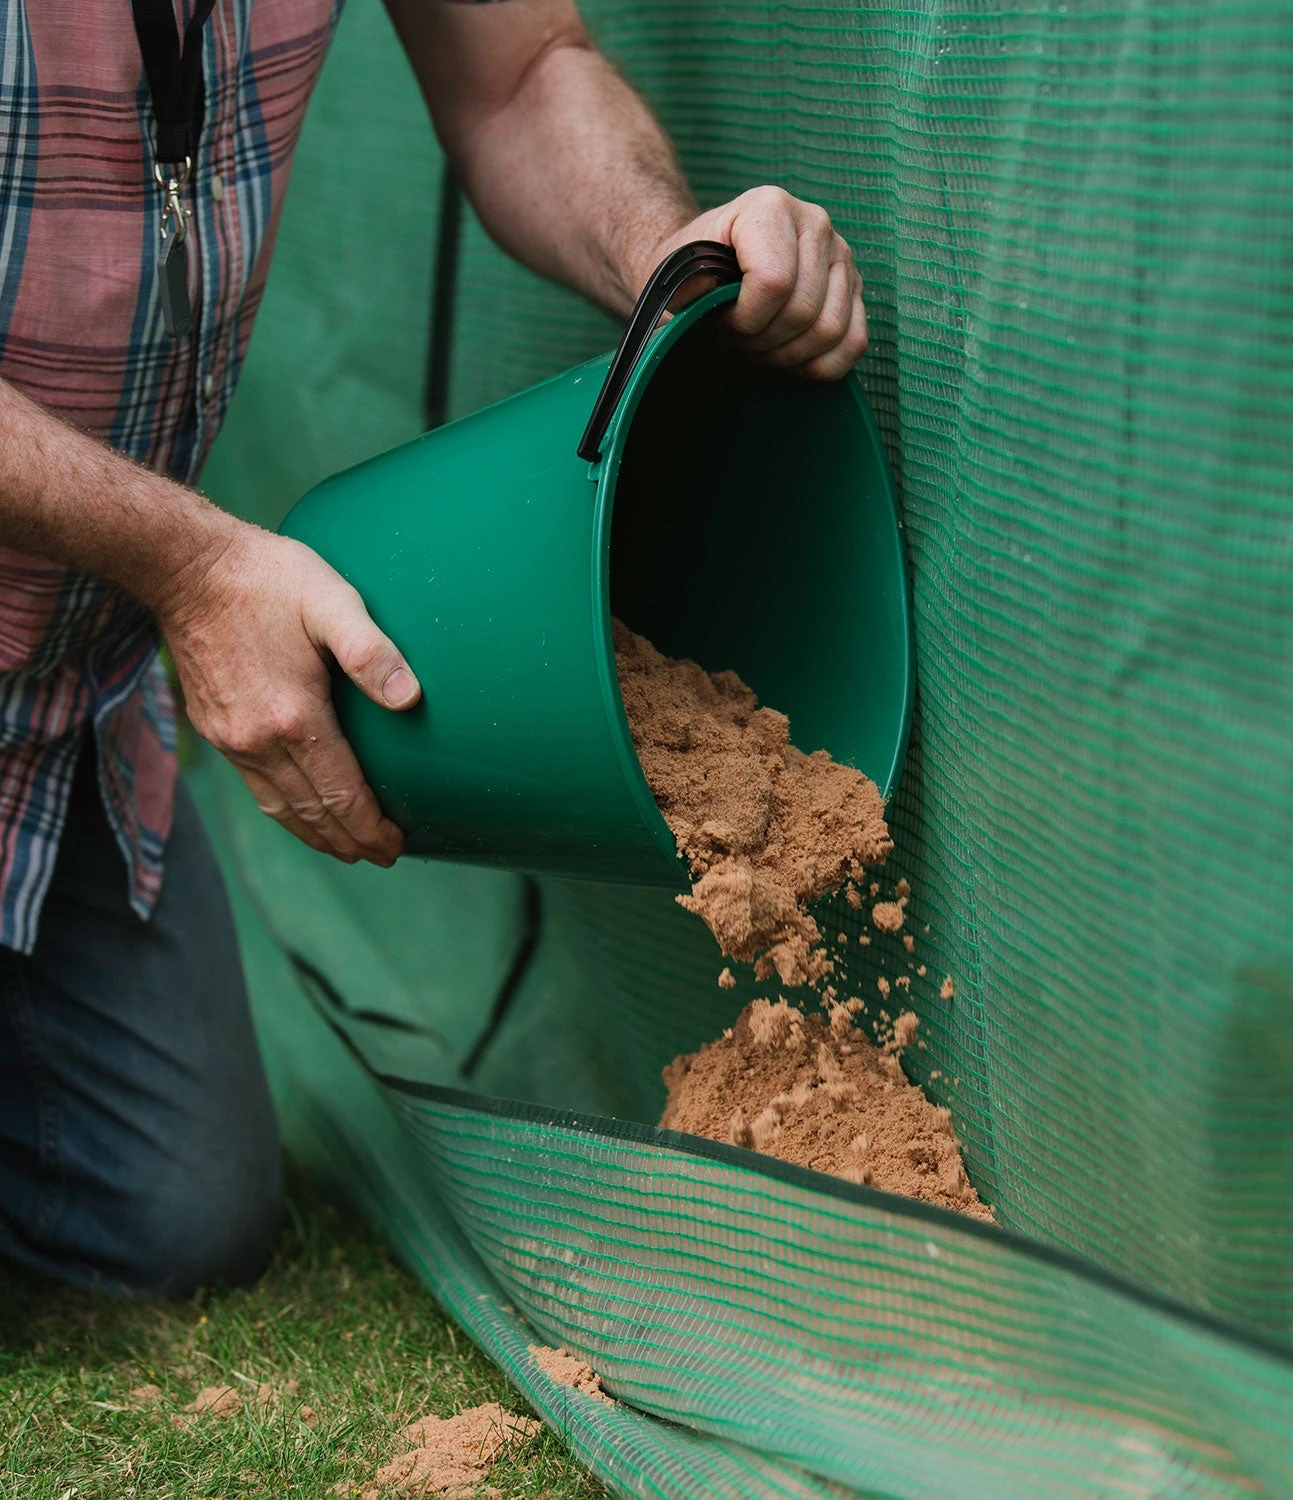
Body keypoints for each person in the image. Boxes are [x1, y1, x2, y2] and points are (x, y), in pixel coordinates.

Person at [0, 0, 867, 1297]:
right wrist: (194, 564)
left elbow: (519, 78)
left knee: (173, 1219)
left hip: (68, 703)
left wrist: (667, 251)